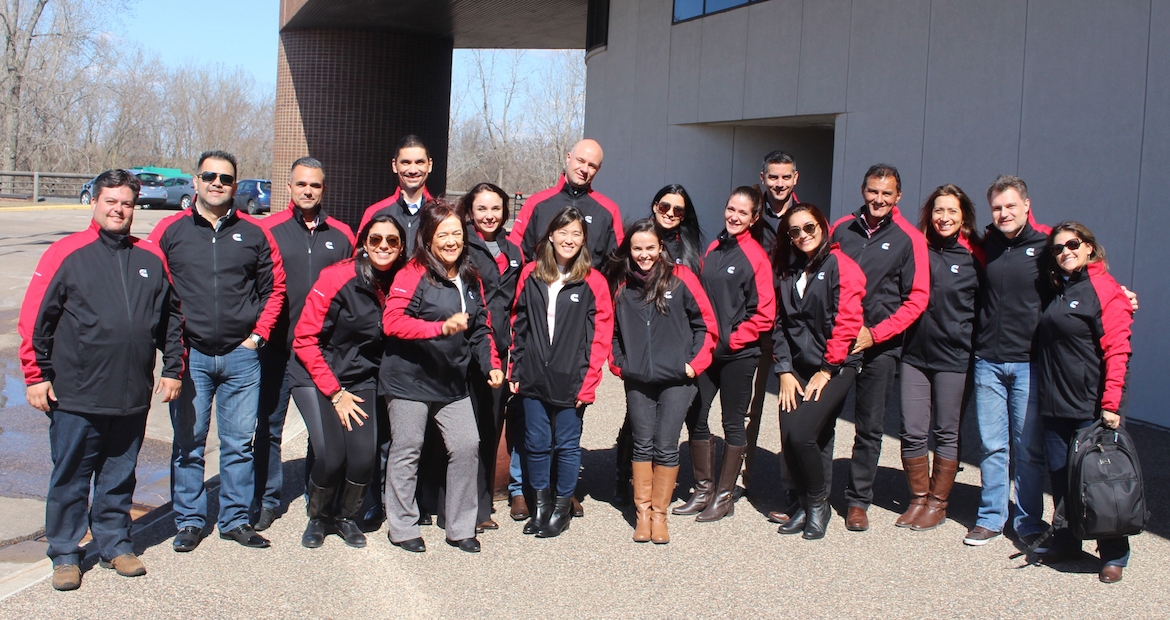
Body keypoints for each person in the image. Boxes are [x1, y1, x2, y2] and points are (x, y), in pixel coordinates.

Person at [19, 170, 184, 591]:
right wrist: (36, 375)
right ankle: (65, 552)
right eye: (111, 200)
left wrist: (171, 369)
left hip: (130, 394)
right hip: (76, 392)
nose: (118, 209)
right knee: (71, 476)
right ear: (94, 202)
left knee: (118, 476)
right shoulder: (67, 253)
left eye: (126, 202)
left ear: (134, 207)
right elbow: (36, 319)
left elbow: (171, 319)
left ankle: (114, 544)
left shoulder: (150, 259)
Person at [149, 150, 286, 551]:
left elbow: (274, 289)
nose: (217, 184)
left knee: (239, 443)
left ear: (234, 185)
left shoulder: (255, 234)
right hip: (191, 358)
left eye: (226, 179)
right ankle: (190, 521)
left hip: (242, 357)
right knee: (189, 443)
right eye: (209, 176)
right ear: (195, 181)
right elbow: (154, 291)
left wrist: (258, 336)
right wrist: (169, 353)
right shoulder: (169, 231)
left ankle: (235, 520)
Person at [381, 200, 504, 554]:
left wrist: (491, 365)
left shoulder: (469, 276)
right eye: (443, 234)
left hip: (451, 381)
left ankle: (460, 526)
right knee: (408, 449)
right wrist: (439, 328)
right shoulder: (412, 273)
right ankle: (402, 527)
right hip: (410, 380)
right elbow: (392, 321)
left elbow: (481, 329)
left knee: (467, 446)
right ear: (428, 238)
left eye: (457, 234)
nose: (451, 241)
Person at [291, 214, 405, 549]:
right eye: (375, 240)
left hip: (360, 377)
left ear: (400, 248)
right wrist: (334, 392)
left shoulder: (400, 282)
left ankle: (344, 516)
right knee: (330, 455)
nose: (383, 246)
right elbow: (305, 338)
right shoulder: (337, 277)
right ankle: (319, 517)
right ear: (363, 244)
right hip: (316, 374)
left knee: (361, 457)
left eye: (392, 241)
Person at [255, 157, 355, 532]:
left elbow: (352, 291)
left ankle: (319, 498)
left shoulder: (342, 234)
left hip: (323, 351)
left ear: (323, 189)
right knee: (268, 426)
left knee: (323, 431)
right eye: (301, 185)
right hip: (277, 348)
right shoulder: (268, 230)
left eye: (314, 185)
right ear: (290, 188)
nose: (308, 191)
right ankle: (266, 499)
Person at [829, 164, 929, 532]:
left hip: (880, 346)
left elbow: (916, 298)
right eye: (873, 191)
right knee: (823, 418)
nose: (879, 199)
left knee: (869, 428)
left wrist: (876, 333)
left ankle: (858, 501)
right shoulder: (841, 229)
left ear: (898, 197)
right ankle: (817, 494)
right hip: (839, 342)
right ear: (863, 189)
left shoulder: (909, 238)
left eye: (887, 194)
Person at [606, 219, 718, 543]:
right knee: (641, 444)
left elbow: (705, 325)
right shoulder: (624, 288)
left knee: (666, 446)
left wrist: (694, 365)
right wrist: (621, 366)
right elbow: (612, 334)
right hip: (638, 379)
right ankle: (642, 516)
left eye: (650, 247)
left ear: (660, 248)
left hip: (678, 381)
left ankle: (660, 516)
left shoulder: (681, 279)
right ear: (630, 249)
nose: (644, 254)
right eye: (637, 248)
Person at [1034, 222, 1134, 583]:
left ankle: (1114, 553)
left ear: (1090, 247)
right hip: (1055, 403)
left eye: (1073, 244)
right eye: (1058, 248)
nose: (1065, 252)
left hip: (1091, 407)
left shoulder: (1105, 290)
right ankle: (1068, 540)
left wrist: (1111, 404)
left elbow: (1119, 349)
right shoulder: (1061, 287)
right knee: (1062, 479)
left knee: (1101, 482)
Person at [509, 207, 614, 538]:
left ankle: (561, 508)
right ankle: (540, 507)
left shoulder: (593, 281)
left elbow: (600, 336)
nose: (569, 239)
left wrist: (589, 383)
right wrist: (515, 367)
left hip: (572, 378)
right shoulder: (531, 274)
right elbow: (519, 324)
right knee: (536, 442)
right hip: (532, 375)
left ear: (584, 240)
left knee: (567, 445)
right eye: (563, 232)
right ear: (550, 236)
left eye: (576, 234)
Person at [675, 186, 776, 522]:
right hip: (708, 354)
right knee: (695, 415)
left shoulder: (756, 257)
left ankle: (724, 495)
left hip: (737, 355)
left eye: (742, 212)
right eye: (731, 209)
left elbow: (764, 314)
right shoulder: (716, 247)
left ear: (754, 217)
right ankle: (703, 489)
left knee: (732, 423)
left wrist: (732, 340)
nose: (734, 216)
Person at [964, 175, 1050, 547]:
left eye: (1011, 206)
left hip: (1028, 363)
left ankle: (1029, 521)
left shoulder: (1046, 247)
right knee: (992, 446)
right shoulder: (988, 246)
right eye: (997, 207)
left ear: (1027, 206)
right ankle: (991, 517)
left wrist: (1120, 294)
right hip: (988, 362)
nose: (1004, 213)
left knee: (1027, 448)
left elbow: (1087, 271)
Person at [771, 204, 866, 540]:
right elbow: (779, 323)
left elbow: (847, 322)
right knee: (792, 436)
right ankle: (802, 503)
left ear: (823, 227)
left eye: (808, 227)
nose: (802, 236)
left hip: (836, 366)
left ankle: (817, 505)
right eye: (794, 231)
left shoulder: (841, 266)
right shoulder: (786, 270)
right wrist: (784, 370)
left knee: (803, 435)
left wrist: (826, 370)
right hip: (795, 368)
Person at [896, 185, 982, 531]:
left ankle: (938, 502)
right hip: (915, 355)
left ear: (963, 218)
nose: (944, 218)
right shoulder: (917, 248)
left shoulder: (976, 255)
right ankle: (918, 498)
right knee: (912, 429)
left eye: (952, 212)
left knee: (947, 431)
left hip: (955, 359)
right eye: (938, 211)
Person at [612, 184, 704, 507]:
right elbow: (615, 319)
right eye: (666, 207)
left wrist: (694, 360)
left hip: (676, 356)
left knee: (670, 434)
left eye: (679, 210)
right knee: (638, 429)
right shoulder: (633, 251)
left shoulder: (687, 253)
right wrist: (622, 363)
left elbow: (701, 315)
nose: (671, 214)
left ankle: (661, 509)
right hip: (640, 362)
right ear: (654, 206)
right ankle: (628, 485)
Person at [459, 183, 525, 531]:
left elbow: (517, 306)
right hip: (463, 351)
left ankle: (482, 505)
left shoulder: (513, 250)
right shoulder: (461, 245)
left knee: (489, 427)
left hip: (498, 355)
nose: (489, 216)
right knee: (461, 433)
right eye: (481, 209)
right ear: (470, 211)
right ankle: (451, 502)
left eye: (495, 209)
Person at [748, 150, 802, 519]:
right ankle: (742, 479)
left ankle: (792, 491)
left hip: (792, 329)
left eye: (785, 177)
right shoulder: (751, 215)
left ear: (794, 178)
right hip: (753, 326)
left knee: (791, 409)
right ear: (763, 177)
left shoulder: (806, 219)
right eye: (773, 177)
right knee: (747, 409)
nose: (779, 184)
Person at [508, 138, 624, 269]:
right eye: (580, 160)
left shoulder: (608, 210)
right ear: (568, 158)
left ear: (598, 169)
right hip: (540, 285)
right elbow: (516, 253)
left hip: (587, 288)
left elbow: (617, 263)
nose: (584, 169)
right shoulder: (536, 203)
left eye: (592, 166)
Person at [358, 134, 434, 254]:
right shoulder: (374, 213)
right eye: (406, 163)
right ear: (394, 165)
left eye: (419, 162)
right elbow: (360, 260)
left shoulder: (442, 214)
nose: (413, 170)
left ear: (429, 165)